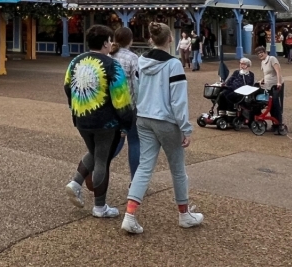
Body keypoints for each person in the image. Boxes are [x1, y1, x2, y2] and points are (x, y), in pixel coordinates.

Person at [121, 22, 203, 234]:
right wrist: (185, 128)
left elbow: (137, 90)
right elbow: (178, 101)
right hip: (166, 120)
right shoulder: (173, 65)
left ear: (151, 39)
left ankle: (129, 215)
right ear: (170, 39)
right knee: (177, 168)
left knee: (144, 166)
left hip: (143, 117)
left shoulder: (141, 61)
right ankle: (184, 214)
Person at [64, 25, 134, 219]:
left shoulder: (75, 62)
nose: (111, 44)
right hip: (106, 122)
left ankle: (76, 183)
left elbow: (67, 86)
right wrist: (127, 122)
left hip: (81, 117)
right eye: (110, 40)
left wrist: (75, 107)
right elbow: (121, 98)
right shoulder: (112, 65)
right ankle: (100, 207)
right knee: (102, 159)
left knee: (94, 153)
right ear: (105, 43)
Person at [109, 26, 140, 181]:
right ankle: (135, 181)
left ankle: (94, 166)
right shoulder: (133, 58)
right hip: (129, 105)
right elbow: (136, 84)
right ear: (130, 40)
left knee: (115, 140)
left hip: (111, 105)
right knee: (134, 142)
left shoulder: (108, 56)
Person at [254, 45, 286, 135]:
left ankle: (279, 124)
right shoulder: (262, 62)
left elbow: (278, 71)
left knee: (276, 104)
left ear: (265, 52)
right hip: (267, 86)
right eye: (258, 53)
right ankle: (274, 124)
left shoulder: (272, 59)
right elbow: (266, 74)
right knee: (270, 105)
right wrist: (261, 80)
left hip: (276, 85)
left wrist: (279, 82)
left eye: (261, 52)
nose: (260, 55)